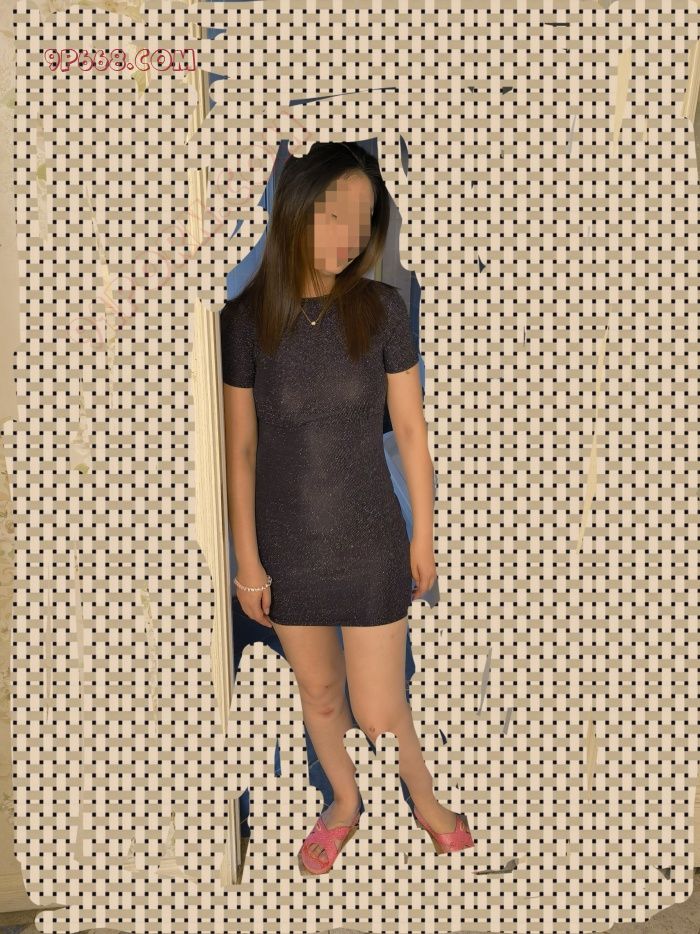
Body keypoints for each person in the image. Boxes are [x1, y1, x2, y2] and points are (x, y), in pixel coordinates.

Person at [220, 141, 474, 874]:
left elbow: (413, 431)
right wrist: (248, 562)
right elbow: (241, 449)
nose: (347, 236)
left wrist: (424, 536)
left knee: (380, 707)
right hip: (287, 545)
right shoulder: (244, 323)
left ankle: (425, 800)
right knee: (321, 695)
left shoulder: (381, 310)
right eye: (334, 215)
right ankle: (343, 803)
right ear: (297, 208)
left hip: (370, 541)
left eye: (362, 220)